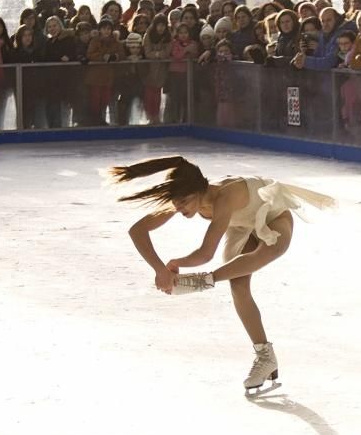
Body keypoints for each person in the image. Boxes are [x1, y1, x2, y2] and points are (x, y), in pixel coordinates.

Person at [110, 156, 335, 393]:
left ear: (198, 191)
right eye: (176, 203)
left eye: (184, 202)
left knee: (264, 253)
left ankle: (203, 282)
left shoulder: (225, 196)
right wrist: (160, 269)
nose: (180, 209)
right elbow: (137, 230)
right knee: (238, 286)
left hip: (274, 216)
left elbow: (206, 253)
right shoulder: (186, 196)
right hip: (242, 227)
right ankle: (266, 358)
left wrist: (177, 265)